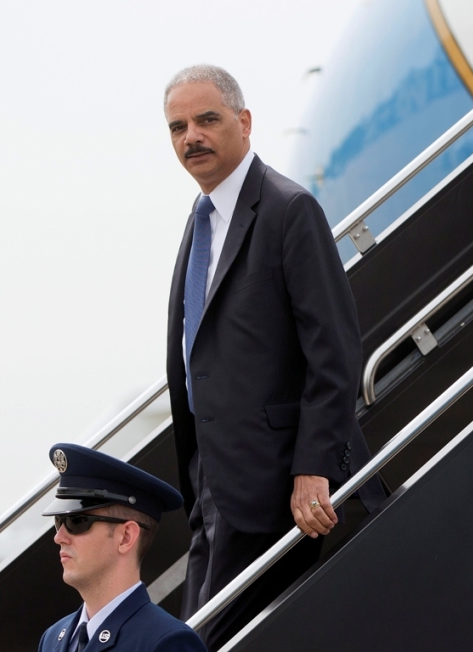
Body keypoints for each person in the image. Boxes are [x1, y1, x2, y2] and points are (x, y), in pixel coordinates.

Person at [164, 64, 387, 649]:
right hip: (212, 483)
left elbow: (334, 350)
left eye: (207, 119)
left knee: (211, 639)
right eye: (178, 126)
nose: (192, 136)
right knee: (200, 635)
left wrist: (312, 467)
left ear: (244, 122)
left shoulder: (289, 209)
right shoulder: (201, 221)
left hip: (273, 486)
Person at [38, 443, 207, 652]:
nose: (59, 537)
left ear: (126, 537)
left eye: (77, 521)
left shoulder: (167, 643)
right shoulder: (53, 638)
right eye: (58, 521)